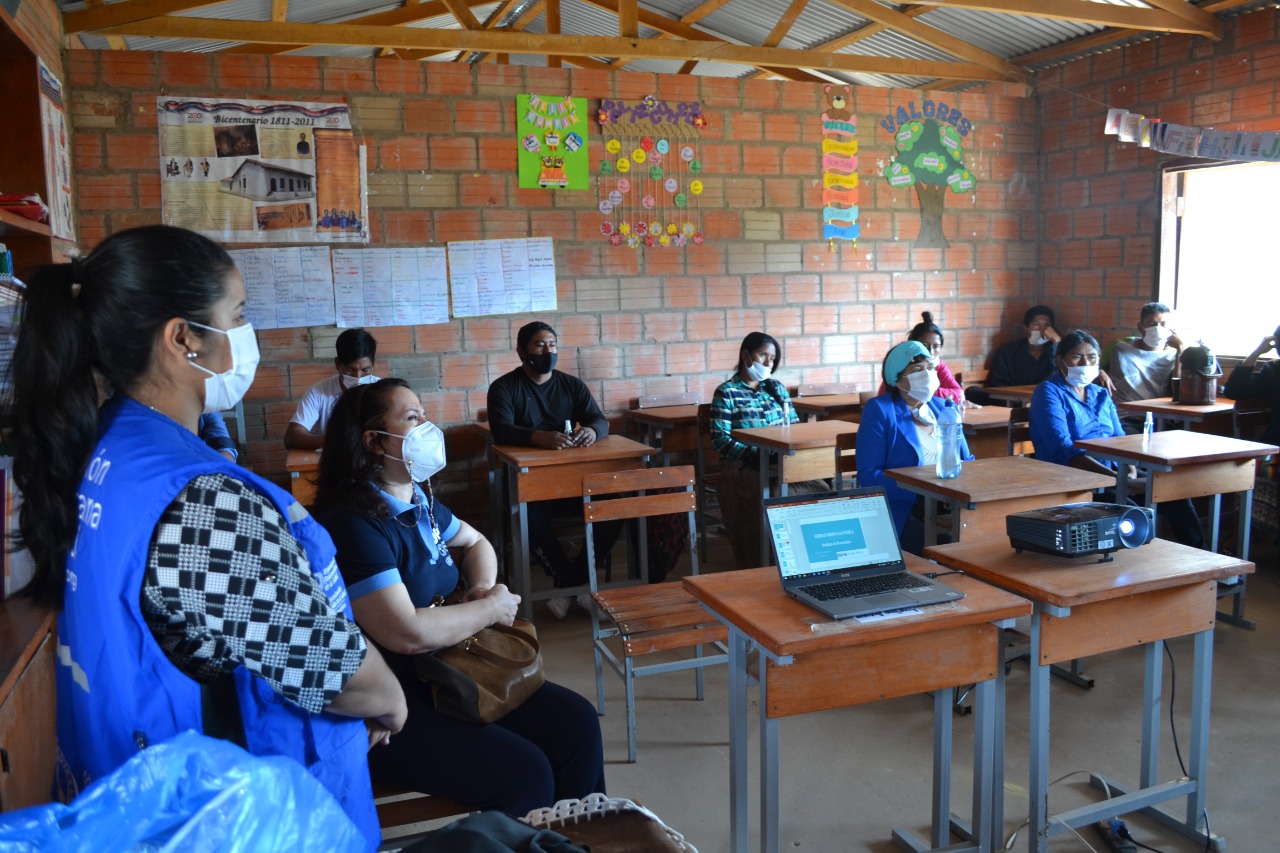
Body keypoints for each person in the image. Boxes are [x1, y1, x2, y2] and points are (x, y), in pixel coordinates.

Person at [8, 225, 406, 851]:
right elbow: (334, 669)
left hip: (137, 795)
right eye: (237, 318)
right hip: (229, 816)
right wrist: (390, 699)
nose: (244, 340)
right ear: (183, 339)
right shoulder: (202, 500)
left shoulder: (100, 446)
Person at [312, 378, 606, 814]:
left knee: (576, 723)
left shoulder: (417, 499)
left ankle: (577, 838)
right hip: (397, 701)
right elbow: (405, 633)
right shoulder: (355, 522)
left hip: (452, 668)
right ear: (374, 441)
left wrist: (482, 588)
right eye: (412, 418)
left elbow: (475, 543)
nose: (428, 427)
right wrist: (488, 609)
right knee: (525, 774)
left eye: (425, 415)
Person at [487, 321, 621, 619]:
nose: (548, 351)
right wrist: (539, 437)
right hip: (528, 484)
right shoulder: (504, 388)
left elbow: (600, 419)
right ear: (522, 351)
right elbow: (501, 429)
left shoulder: (571, 384)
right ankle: (576, 586)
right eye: (539, 345)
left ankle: (569, 585)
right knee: (528, 518)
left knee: (614, 505)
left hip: (571, 481)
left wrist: (592, 431)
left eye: (552, 344)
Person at [1029, 330, 1205, 548]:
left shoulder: (1100, 393)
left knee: (1175, 494)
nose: (1085, 362)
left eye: (1092, 357)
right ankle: (1147, 567)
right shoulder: (1049, 392)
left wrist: (1129, 469)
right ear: (1060, 361)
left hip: (1114, 471)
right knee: (1133, 510)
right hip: (1072, 474)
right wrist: (1115, 477)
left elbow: (1119, 438)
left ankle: (1203, 558)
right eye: (1076, 357)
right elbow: (1063, 449)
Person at [711, 332, 826, 569]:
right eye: (762, 355)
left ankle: (807, 560)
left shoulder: (776, 388)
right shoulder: (727, 392)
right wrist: (753, 455)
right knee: (771, 492)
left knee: (822, 489)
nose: (767, 363)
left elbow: (794, 428)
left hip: (781, 461)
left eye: (772, 358)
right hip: (745, 463)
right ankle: (766, 563)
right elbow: (720, 439)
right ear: (746, 355)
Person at [857, 341, 974, 555]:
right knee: (948, 547)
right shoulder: (880, 410)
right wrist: (920, 488)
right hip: (906, 508)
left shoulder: (942, 408)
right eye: (917, 370)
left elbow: (967, 460)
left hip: (950, 504)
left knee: (984, 538)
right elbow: (868, 476)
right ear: (897, 377)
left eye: (930, 368)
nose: (927, 374)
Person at [285, 327, 380, 450]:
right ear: (337, 364)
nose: (358, 377)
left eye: (365, 369)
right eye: (350, 369)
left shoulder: (384, 392)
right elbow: (292, 437)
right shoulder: (318, 393)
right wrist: (339, 442)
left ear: (373, 364)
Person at [967, 305, 1060, 405]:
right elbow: (998, 383)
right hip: (1009, 400)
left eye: (1046, 326)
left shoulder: (1053, 353)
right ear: (1026, 328)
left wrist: (1057, 343)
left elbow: (1056, 378)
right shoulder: (1008, 351)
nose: (1042, 330)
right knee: (973, 392)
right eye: (1037, 324)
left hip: (1041, 400)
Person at [1103, 301, 1184, 411]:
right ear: (1140, 327)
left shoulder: (1173, 355)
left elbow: (1178, 391)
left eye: (1163, 324)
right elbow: (1092, 366)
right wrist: (1100, 372)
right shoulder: (1119, 347)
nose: (1158, 328)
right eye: (1151, 324)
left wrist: (1181, 348)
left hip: (1158, 415)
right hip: (1125, 415)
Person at [876, 311, 968, 405]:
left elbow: (958, 393)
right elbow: (884, 400)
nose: (931, 352)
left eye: (936, 346)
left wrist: (928, 389)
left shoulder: (939, 366)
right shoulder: (901, 366)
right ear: (913, 345)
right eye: (924, 346)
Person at [1223, 324, 1280, 447]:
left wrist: (1258, 351)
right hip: (1275, 446)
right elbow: (1234, 391)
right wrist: (1257, 352)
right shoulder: (1274, 370)